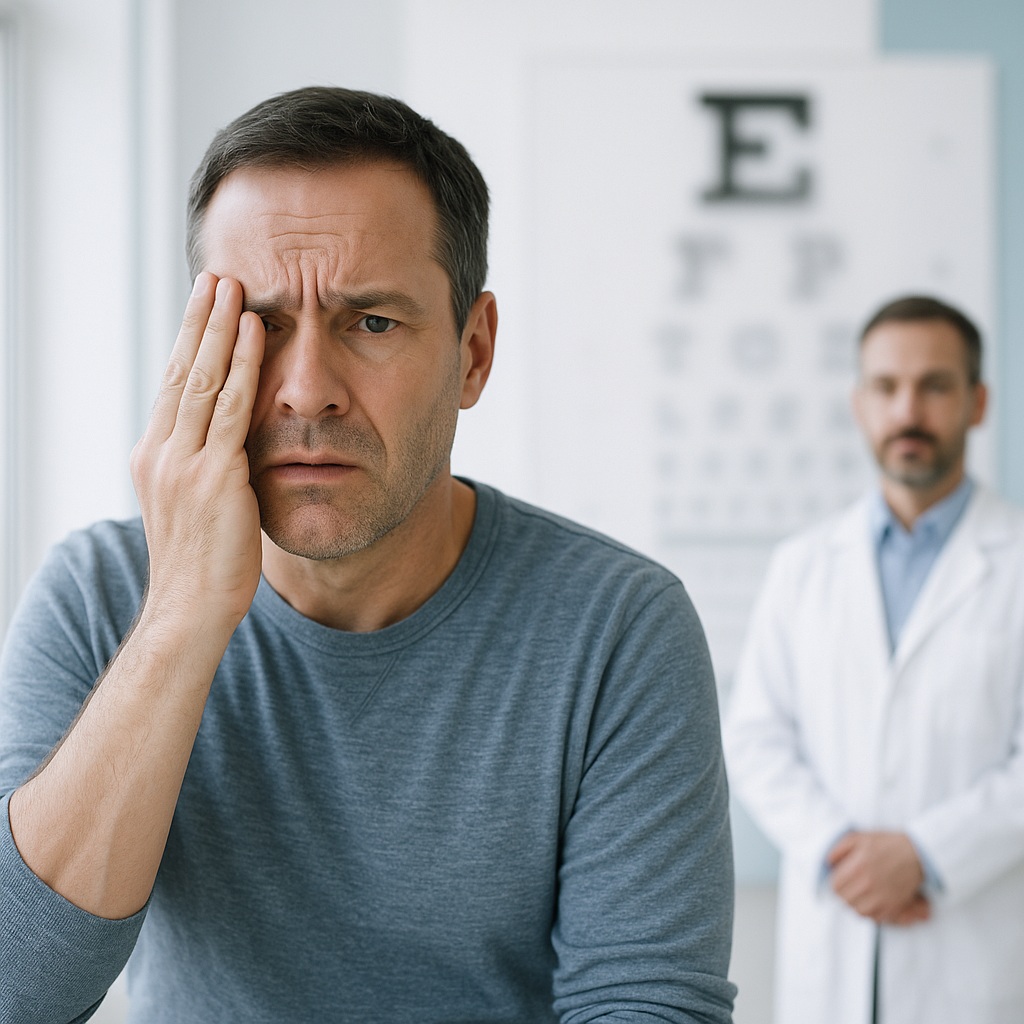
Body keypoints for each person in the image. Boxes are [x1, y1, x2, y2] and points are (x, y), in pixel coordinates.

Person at [0, 87, 735, 1023]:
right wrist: (181, 614)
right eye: (260, 326)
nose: (307, 390)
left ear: (473, 352)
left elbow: (646, 1005)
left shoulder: (618, 627)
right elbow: (18, 993)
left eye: (373, 322)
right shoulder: (97, 595)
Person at [724, 295, 1024, 1024]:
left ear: (978, 402)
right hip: (834, 934)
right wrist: (839, 850)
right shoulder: (803, 566)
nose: (907, 410)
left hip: (973, 950)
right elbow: (756, 737)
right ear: (860, 403)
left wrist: (926, 855)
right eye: (886, 387)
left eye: (935, 385)